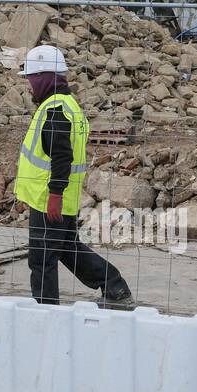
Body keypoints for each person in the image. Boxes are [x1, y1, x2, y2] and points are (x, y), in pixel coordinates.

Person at [16, 45, 132, 306]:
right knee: (67, 249)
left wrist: (54, 195)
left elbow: (61, 157)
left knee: (42, 258)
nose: (29, 86)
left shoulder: (55, 110)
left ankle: (45, 312)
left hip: (50, 200)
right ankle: (114, 287)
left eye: (31, 79)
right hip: (59, 198)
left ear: (44, 78)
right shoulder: (67, 105)